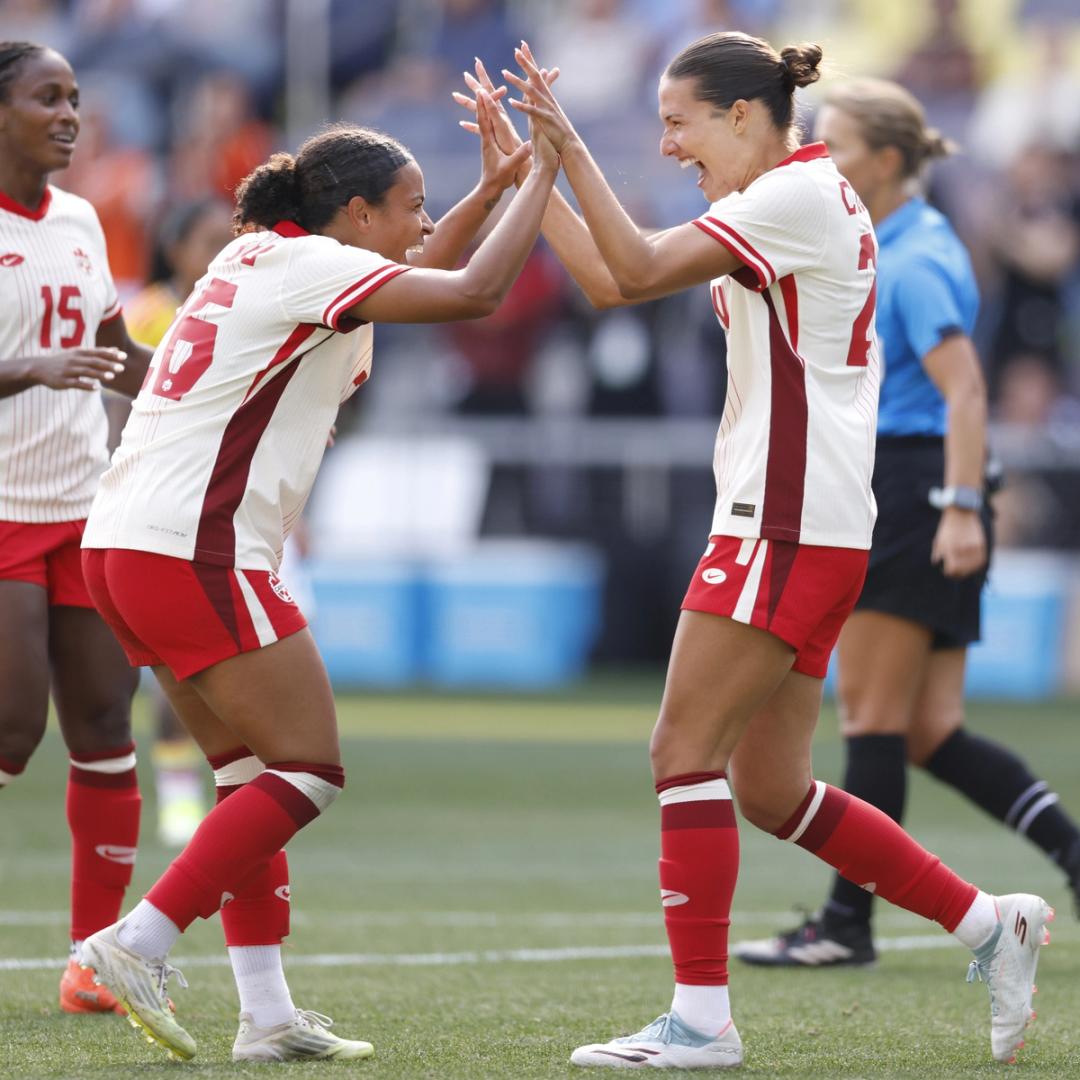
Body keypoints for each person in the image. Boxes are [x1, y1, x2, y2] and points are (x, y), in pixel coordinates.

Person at [464, 33, 1051, 1068]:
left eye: (679, 120)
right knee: (771, 790)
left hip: (780, 525)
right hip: (812, 525)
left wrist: (563, 153)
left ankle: (701, 1023)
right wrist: (536, 174)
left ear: (743, 115)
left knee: (679, 756)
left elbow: (634, 267)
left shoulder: (793, 198)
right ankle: (986, 923)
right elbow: (611, 278)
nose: (668, 143)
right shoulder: (800, 197)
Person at [76, 94, 559, 1064]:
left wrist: (493, 188)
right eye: (413, 202)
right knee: (310, 768)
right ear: (355, 215)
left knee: (247, 776)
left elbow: (420, 262)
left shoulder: (265, 254)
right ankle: (138, 941)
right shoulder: (310, 266)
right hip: (194, 544)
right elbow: (467, 292)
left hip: (128, 541)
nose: (428, 219)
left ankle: (265, 1016)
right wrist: (545, 176)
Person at [732, 78, 1080, 970]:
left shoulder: (915, 257)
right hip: (926, 484)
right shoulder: (905, 238)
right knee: (930, 730)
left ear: (886, 161)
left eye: (837, 143)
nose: (821, 158)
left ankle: (848, 926)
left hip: (917, 486)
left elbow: (965, 388)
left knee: (876, 719)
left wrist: (961, 506)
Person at [0, 40, 156, 1016]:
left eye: (75, 98)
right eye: (45, 98)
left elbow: (112, 351)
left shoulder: (83, 219)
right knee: (12, 731)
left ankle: (89, 965)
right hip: (3, 509)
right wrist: (28, 371)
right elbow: (58, 362)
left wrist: (214, 393)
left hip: (81, 506)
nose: (69, 114)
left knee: (104, 725)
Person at [125, 197, 233, 847]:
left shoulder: (244, 304)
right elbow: (116, 413)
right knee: (179, 668)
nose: (225, 249)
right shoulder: (148, 317)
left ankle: (241, 791)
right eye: (212, 238)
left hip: (238, 511)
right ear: (177, 249)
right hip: (163, 511)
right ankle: (177, 793)